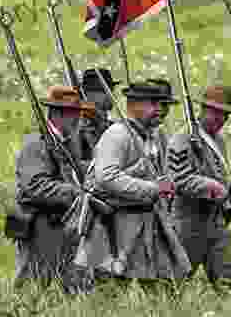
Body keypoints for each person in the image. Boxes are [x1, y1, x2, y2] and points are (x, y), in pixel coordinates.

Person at [73, 81, 191, 289]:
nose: (160, 110)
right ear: (133, 104)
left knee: (165, 284)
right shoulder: (118, 135)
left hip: (148, 221)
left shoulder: (157, 136)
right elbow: (106, 177)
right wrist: (154, 188)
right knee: (109, 288)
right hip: (115, 224)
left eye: (163, 105)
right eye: (153, 104)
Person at [12, 86, 95, 290]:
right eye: (73, 113)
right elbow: (35, 185)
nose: (78, 119)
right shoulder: (36, 143)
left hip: (60, 223)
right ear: (57, 114)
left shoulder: (65, 142)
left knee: (67, 286)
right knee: (33, 286)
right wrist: (75, 192)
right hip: (38, 224)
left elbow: (70, 170)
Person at [167, 85, 231, 290]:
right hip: (188, 221)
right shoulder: (182, 139)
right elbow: (179, 179)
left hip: (216, 220)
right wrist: (209, 185)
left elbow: (220, 175)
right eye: (217, 112)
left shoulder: (218, 141)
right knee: (174, 285)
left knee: (229, 282)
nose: (222, 119)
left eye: (225, 114)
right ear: (204, 109)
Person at [77, 68, 121, 163]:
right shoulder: (79, 127)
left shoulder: (111, 125)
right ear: (90, 94)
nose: (112, 95)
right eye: (107, 90)